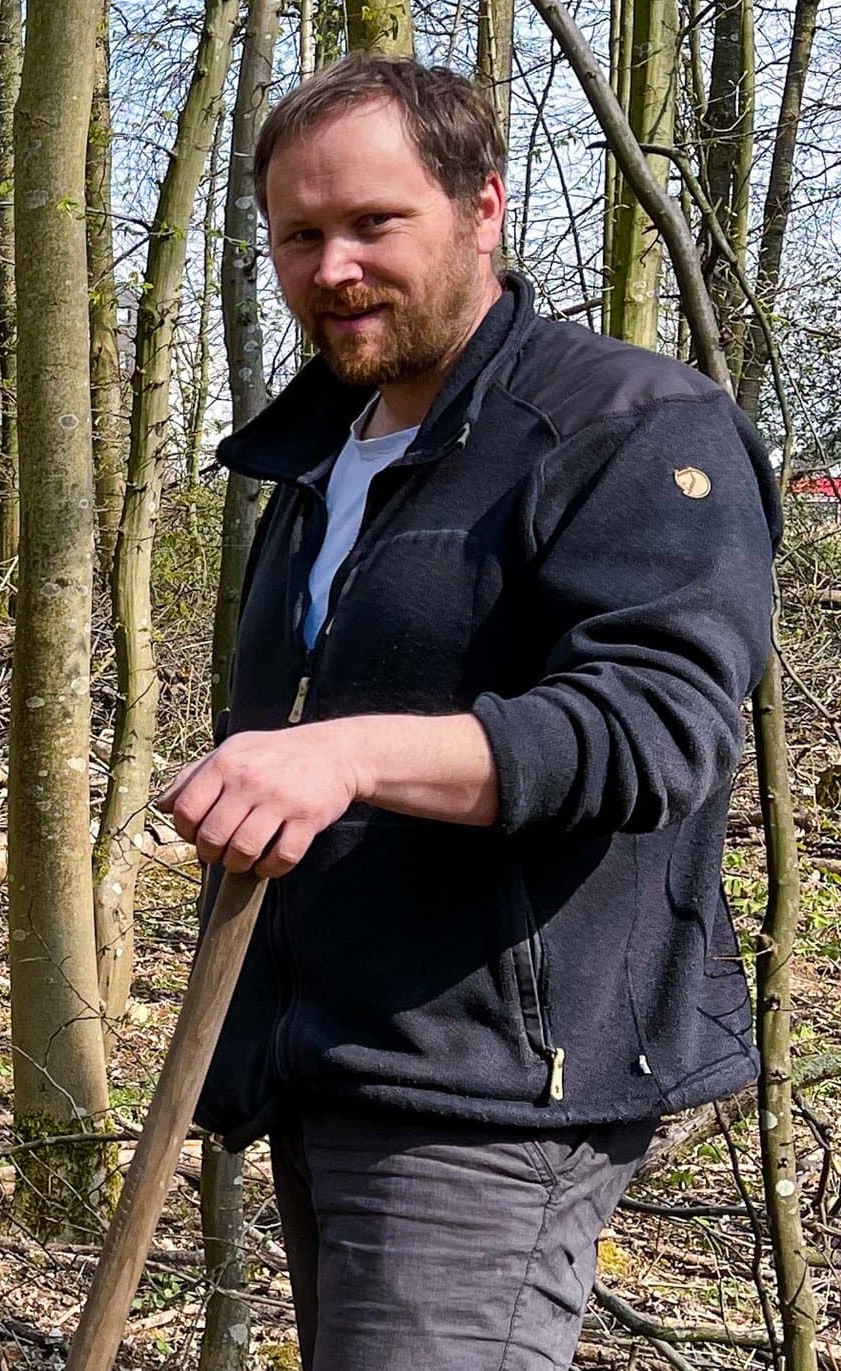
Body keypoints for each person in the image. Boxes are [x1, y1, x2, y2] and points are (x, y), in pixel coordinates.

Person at [169, 55, 779, 1371]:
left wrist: (345, 756)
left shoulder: (628, 426)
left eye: (373, 222)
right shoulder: (320, 458)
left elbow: (656, 727)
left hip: (493, 1089)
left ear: (482, 206)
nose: (333, 267)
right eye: (299, 234)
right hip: (328, 1050)